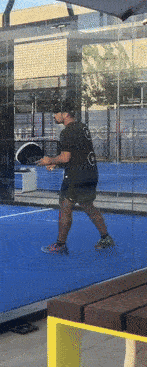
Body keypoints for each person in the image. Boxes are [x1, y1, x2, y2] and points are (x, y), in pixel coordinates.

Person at [37, 101, 114, 255]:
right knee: (88, 205)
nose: (54, 116)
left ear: (65, 114)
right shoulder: (82, 127)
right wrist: (57, 164)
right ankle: (106, 238)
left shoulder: (67, 132)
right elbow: (77, 155)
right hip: (90, 173)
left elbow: (66, 157)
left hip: (76, 176)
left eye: (56, 113)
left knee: (65, 207)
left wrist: (50, 160)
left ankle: (60, 245)